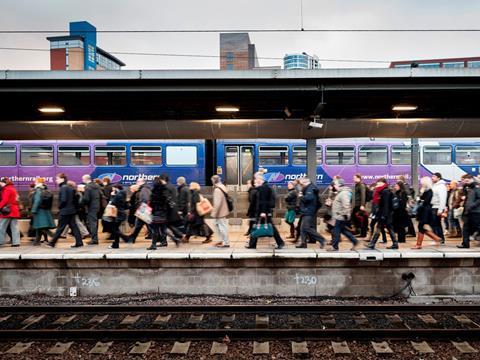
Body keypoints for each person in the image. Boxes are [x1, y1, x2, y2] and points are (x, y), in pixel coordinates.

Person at [246, 172, 285, 249]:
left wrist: (263, 212)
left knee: (268, 227)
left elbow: (264, 201)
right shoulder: (263, 187)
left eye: (256, 179)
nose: (255, 181)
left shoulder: (264, 188)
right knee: (256, 226)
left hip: (264, 212)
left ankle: (280, 242)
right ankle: (252, 244)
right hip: (262, 211)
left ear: (260, 179)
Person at [48, 174, 83, 248]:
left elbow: (63, 200)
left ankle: (52, 242)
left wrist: (60, 207)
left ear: (62, 179)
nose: (56, 180)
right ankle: (79, 242)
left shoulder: (63, 188)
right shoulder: (70, 187)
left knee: (60, 227)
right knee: (74, 227)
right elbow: (75, 199)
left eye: (57, 179)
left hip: (65, 211)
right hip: (72, 210)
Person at [148, 177, 181, 249]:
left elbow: (152, 204)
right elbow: (167, 202)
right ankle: (175, 239)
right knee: (163, 229)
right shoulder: (164, 191)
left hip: (156, 213)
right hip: (163, 214)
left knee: (155, 230)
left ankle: (153, 245)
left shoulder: (154, 193)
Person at [366, 178, 398, 250]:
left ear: (382, 183)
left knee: (381, 227)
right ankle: (395, 243)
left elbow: (386, 204)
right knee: (387, 228)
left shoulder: (385, 191)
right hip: (385, 213)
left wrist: (384, 215)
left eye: (378, 183)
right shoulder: (382, 191)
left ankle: (372, 243)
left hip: (385, 214)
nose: (377, 184)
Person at [411, 176, 442, 249]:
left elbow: (425, 201)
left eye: (422, 183)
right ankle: (436, 238)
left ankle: (419, 244)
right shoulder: (425, 190)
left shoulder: (429, 191)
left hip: (426, 211)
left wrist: (420, 200)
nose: (421, 184)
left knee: (420, 227)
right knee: (421, 227)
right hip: (424, 211)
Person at [296, 177, 325, 249]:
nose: (301, 185)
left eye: (302, 184)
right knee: (302, 228)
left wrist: (301, 196)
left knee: (306, 227)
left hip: (309, 210)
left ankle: (321, 239)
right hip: (306, 210)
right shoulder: (308, 187)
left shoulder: (310, 188)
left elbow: (309, 198)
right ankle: (303, 243)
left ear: (305, 182)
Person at [330, 178, 358, 251]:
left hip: (340, 216)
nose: (333, 186)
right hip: (339, 215)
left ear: (339, 184)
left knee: (336, 230)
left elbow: (346, 204)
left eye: (335, 184)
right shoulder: (341, 192)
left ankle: (335, 247)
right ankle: (355, 241)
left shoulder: (344, 193)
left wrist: (344, 214)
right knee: (343, 230)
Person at [159, 174, 184, 243]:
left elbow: (165, 199)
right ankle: (178, 236)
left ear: (163, 180)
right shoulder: (172, 186)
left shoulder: (165, 187)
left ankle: (166, 240)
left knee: (164, 225)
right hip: (173, 208)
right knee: (168, 224)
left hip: (168, 210)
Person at [30, 178, 55, 246]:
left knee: (43, 227)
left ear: (38, 182)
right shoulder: (45, 189)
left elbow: (37, 200)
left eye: (35, 181)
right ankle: (37, 241)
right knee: (39, 226)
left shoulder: (38, 189)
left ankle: (55, 237)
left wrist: (33, 210)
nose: (34, 182)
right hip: (44, 210)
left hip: (39, 211)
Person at [458, 174, 480, 248]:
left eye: (467, 181)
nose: (465, 182)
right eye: (464, 181)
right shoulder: (468, 188)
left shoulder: (477, 187)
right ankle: (465, 244)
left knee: (477, 227)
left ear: (471, 179)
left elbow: (479, 199)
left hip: (475, 212)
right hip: (468, 211)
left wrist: (472, 206)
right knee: (465, 228)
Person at [127, 178, 153, 243]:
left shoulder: (144, 189)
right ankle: (132, 238)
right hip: (143, 209)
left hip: (143, 209)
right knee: (140, 225)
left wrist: (141, 207)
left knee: (140, 225)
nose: (136, 183)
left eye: (137, 181)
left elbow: (145, 199)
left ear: (141, 182)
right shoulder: (143, 188)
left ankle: (132, 238)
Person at [0, 177, 21, 247]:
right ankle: (16, 242)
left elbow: (4, 200)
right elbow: (17, 199)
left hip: (8, 211)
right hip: (14, 210)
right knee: (14, 227)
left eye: (1, 183)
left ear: (4, 183)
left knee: (1, 226)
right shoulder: (13, 189)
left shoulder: (7, 189)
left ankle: (0, 241)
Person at [81, 175, 101, 245]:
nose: (82, 180)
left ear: (85, 179)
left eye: (83, 179)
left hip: (91, 207)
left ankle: (94, 240)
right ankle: (95, 239)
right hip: (97, 207)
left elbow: (86, 199)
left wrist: (81, 203)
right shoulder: (97, 186)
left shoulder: (87, 187)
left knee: (92, 224)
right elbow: (101, 195)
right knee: (95, 223)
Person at [211, 175, 230, 248]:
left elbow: (217, 203)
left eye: (212, 180)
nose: (212, 182)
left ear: (214, 181)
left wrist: (214, 213)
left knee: (222, 227)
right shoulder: (222, 186)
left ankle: (225, 242)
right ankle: (221, 240)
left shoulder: (217, 190)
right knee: (217, 226)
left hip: (220, 212)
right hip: (223, 210)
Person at [109, 184, 129, 249]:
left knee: (113, 229)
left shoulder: (118, 195)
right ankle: (116, 244)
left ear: (116, 188)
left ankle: (125, 238)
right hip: (120, 213)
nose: (112, 190)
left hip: (118, 214)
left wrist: (112, 196)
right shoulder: (123, 194)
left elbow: (112, 203)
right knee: (116, 229)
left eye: (113, 188)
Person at [431, 172, 448, 244]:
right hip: (433, 207)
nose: (432, 178)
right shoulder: (435, 185)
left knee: (436, 225)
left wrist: (440, 209)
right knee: (435, 224)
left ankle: (440, 240)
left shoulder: (441, 186)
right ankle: (438, 239)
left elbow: (442, 199)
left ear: (438, 178)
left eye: (434, 176)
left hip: (437, 208)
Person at [352, 174, 369, 238]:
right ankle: (360, 232)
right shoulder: (356, 185)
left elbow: (363, 195)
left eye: (354, 178)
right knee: (356, 219)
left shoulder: (361, 185)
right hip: (356, 205)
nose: (353, 179)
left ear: (358, 178)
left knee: (362, 220)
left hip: (359, 206)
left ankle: (363, 233)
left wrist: (362, 205)